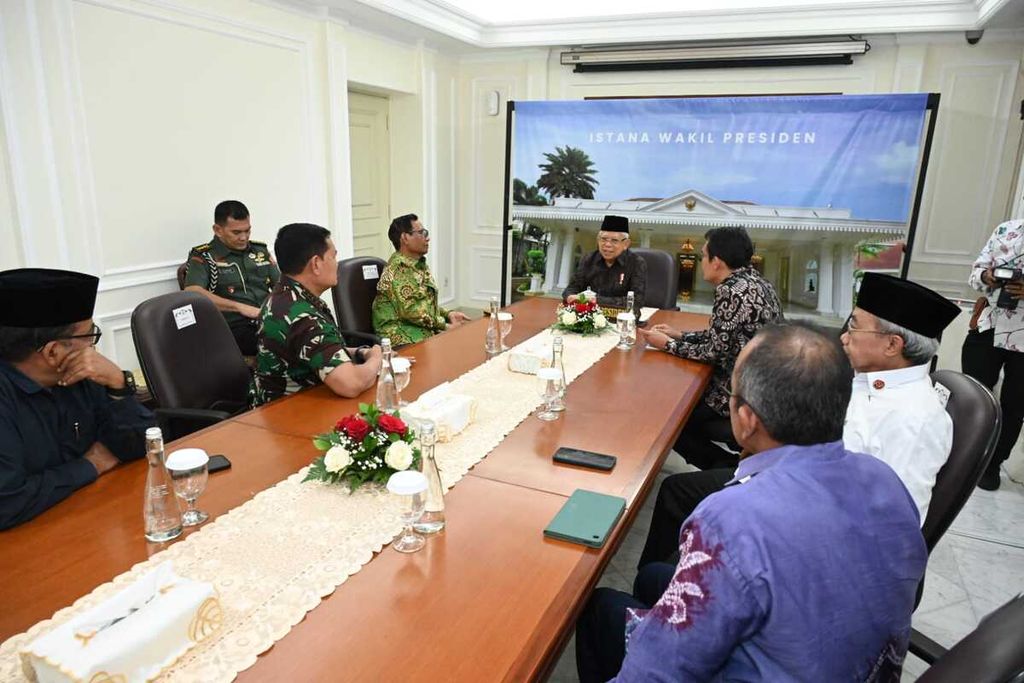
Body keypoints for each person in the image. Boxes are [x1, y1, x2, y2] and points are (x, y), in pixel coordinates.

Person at [576, 323, 927, 682]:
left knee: (601, 608)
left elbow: (655, 674)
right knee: (652, 578)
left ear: (746, 420)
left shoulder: (731, 518)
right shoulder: (885, 480)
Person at [638, 273, 960, 568]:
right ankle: (664, 576)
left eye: (856, 327)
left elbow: (892, 530)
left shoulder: (912, 419)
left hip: (805, 530)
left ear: (893, 344)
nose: (844, 338)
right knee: (678, 490)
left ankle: (664, 588)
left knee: (688, 499)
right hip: (790, 485)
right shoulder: (871, 381)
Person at [0, 268, 154, 530]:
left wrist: (118, 384)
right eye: (89, 335)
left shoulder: (84, 374)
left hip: (90, 517)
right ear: (53, 352)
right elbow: (8, 503)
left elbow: (142, 445)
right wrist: (90, 464)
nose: (93, 347)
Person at [638, 226, 782, 470]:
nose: (700, 260)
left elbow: (713, 352)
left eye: (704, 255)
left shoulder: (730, 290)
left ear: (717, 262)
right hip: (766, 385)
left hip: (743, 392)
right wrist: (681, 335)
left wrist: (668, 345)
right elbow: (724, 338)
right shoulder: (758, 282)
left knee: (670, 419)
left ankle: (726, 469)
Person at [251, 223, 382, 406]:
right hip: (292, 414)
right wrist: (377, 358)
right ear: (316, 264)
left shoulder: (285, 296)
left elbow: (317, 352)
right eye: (333, 256)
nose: (337, 263)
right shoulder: (302, 317)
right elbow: (351, 384)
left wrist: (361, 352)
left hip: (299, 402)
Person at [963, 218, 1024, 490]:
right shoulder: (1006, 229)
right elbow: (975, 273)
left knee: (1015, 404)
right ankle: (962, 456)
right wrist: (988, 277)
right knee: (973, 394)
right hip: (990, 323)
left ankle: (992, 465)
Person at [184, 200, 280, 356]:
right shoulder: (205, 257)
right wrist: (240, 307)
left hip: (268, 319)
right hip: (235, 327)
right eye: (236, 232)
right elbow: (192, 291)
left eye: (247, 231)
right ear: (218, 230)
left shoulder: (260, 251)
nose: (244, 237)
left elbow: (281, 285)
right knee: (279, 341)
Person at [372, 214, 469, 346]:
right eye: (422, 233)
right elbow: (411, 311)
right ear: (405, 238)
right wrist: (444, 325)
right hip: (401, 337)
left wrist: (448, 314)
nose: (427, 238)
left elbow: (423, 303)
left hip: (421, 332)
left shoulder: (417, 264)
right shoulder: (398, 268)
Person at [562, 215, 646, 317]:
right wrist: (571, 297)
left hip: (622, 318)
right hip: (590, 317)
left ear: (626, 244)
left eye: (614, 240)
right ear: (598, 240)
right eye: (603, 239)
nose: (607, 244)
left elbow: (637, 300)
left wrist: (595, 299)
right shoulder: (588, 259)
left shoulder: (636, 263)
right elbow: (572, 287)